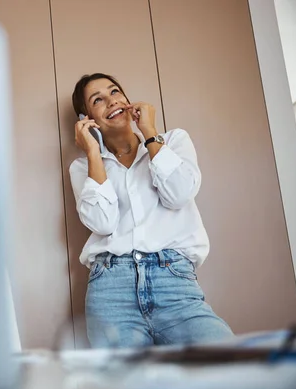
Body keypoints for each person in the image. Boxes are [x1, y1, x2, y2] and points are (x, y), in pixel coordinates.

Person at [69, 73, 233, 348]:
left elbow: (179, 193)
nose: (112, 101)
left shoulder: (174, 141)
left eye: (115, 92)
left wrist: (149, 132)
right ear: (87, 119)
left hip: (174, 282)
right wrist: (93, 152)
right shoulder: (82, 167)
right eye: (98, 100)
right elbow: (102, 223)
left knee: (230, 368)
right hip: (111, 289)